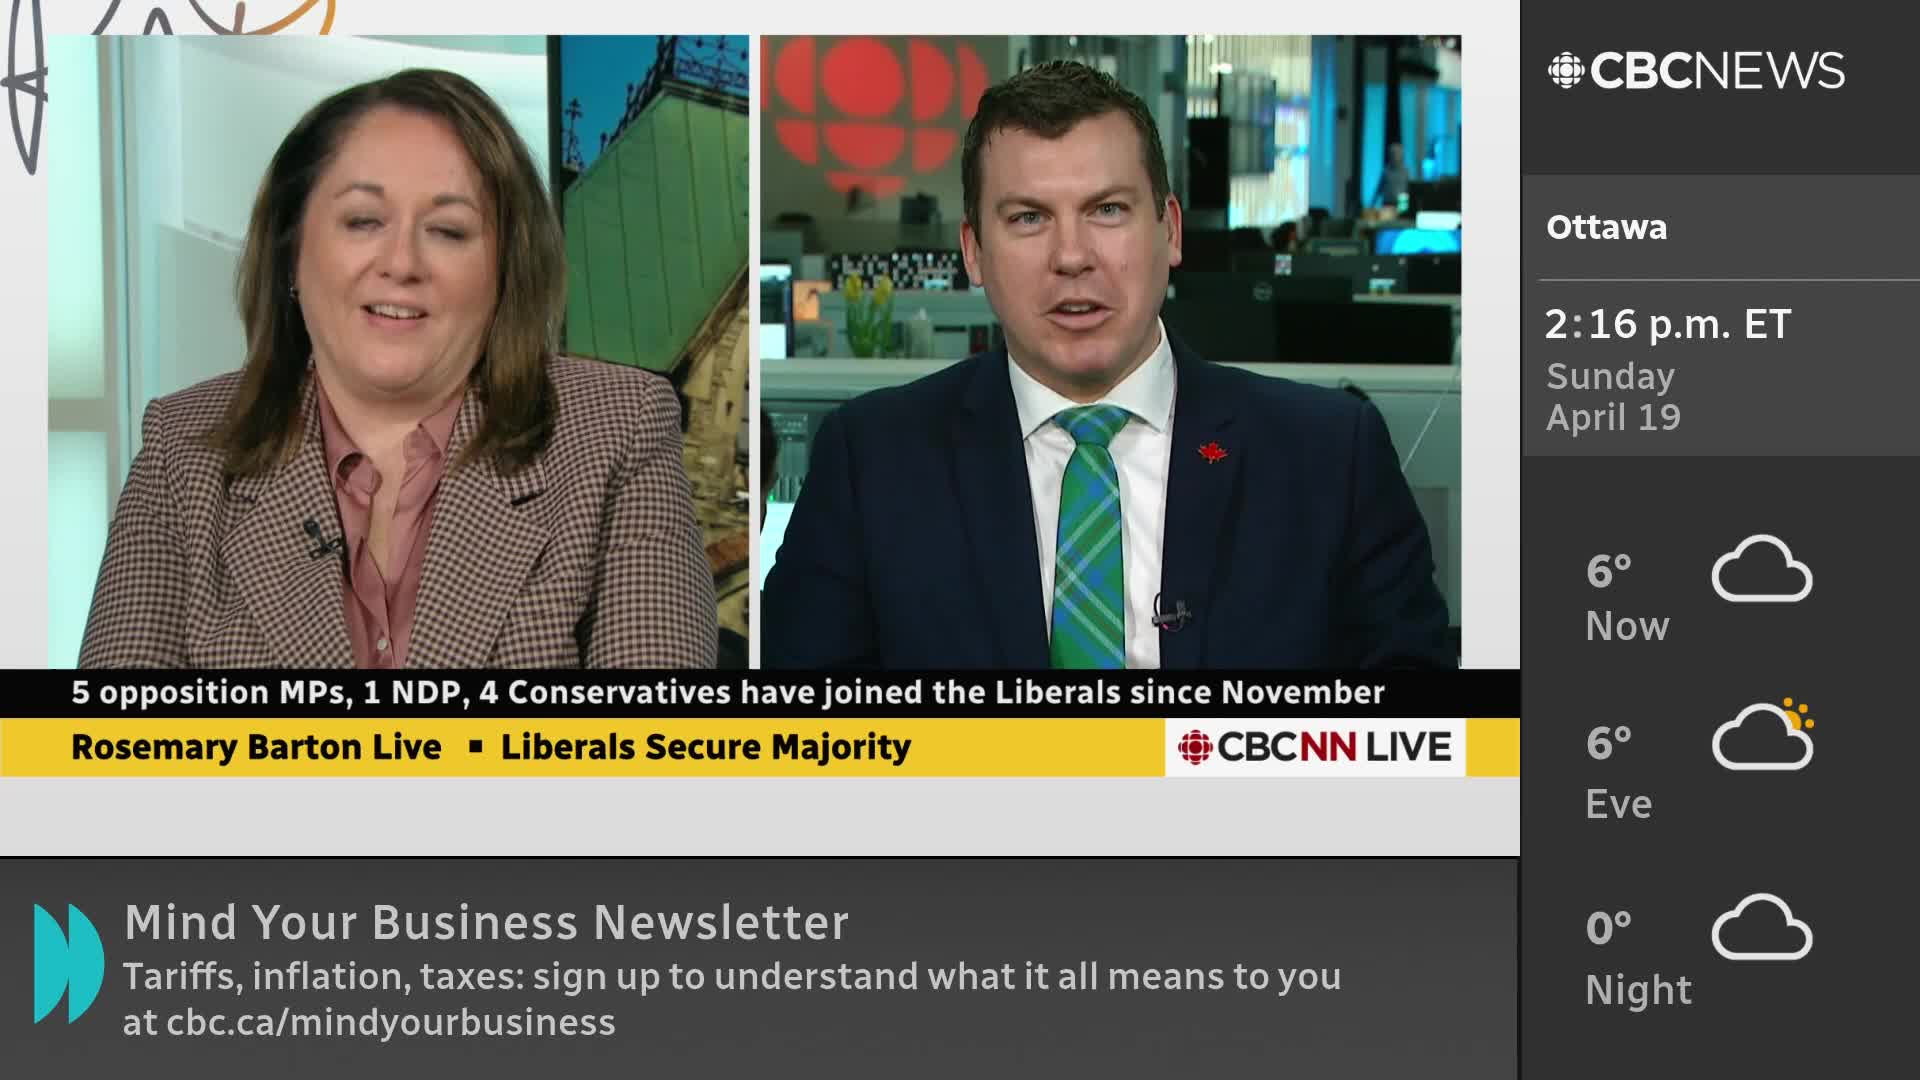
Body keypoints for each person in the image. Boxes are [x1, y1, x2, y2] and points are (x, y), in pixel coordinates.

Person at [760, 61, 1450, 669]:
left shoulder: (1331, 455)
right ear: (973, 252)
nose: (1072, 256)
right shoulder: (872, 459)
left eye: (1109, 210)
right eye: (1028, 218)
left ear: (1170, 231)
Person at [79, 69, 716, 668]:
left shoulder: (615, 431)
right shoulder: (183, 449)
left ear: (505, 270)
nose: (402, 262)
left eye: (448, 230)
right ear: (292, 251)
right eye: (363, 221)